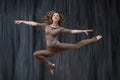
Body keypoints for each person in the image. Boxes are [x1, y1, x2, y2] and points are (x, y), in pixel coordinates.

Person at [15, 11, 102, 75]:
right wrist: (23, 21)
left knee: (76, 46)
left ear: (59, 18)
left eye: (57, 15)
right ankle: (51, 65)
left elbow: (72, 31)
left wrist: (82, 31)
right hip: (51, 51)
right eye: (54, 15)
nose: (56, 16)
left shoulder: (60, 29)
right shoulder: (45, 26)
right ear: (52, 18)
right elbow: (33, 23)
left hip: (59, 46)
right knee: (35, 54)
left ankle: (94, 39)